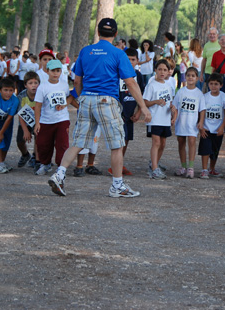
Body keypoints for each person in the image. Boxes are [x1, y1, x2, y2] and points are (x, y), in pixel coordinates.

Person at [49, 18, 151, 198]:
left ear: (98, 31)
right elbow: (130, 82)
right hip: (107, 100)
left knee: (79, 142)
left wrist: (82, 98)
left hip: (87, 98)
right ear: (116, 34)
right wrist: (143, 107)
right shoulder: (118, 54)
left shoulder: (85, 51)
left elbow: (77, 80)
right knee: (117, 144)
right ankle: (117, 186)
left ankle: (59, 174)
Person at [35, 60, 77, 192]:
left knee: (62, 144)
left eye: (58, 70)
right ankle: (45, 163)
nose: (55, 73)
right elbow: (38, 105)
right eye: (53, 70)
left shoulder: (64, 85)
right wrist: (37, 122)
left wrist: (65, 104)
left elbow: (70, 97)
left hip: (62, 119)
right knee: (43, 143)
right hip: (46, 121)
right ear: (47, 71)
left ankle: (60, 168)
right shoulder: (43, 87)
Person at [113, 48, 145, 176]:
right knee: (119, 139)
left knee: (126, 139)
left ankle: (120, 163)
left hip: (130, 113)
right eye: (128, 59)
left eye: (133, 59)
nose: (130, 62)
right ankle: (115, 166)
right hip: (118, 112)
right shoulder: (117, 74)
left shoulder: (138, 75)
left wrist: (138, 112)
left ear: (137, 61)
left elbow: (141, 94)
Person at [144, 59, 177, 180]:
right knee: (156, 143)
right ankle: (154, 169)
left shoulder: (168, 86)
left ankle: (154, 164)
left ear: (169, 72)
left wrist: (172, 109)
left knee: (163, 144)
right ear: (155, 70)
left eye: (165, 70)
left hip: (165, 119)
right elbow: (145, 102)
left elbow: (169, 101)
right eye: (160, 69)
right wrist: (156, 102)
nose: (162, 72)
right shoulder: (151, 85)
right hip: (155, 119)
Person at [173, 67, 206, 179]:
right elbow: (175, 107)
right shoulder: (181, 92)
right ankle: (183, 166)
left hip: (192, 123)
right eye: (188, 75)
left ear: (197, 78)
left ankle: (191, 167)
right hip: (181, 121)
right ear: (185, 77)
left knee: (192, 142)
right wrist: (174, 118)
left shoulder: (199, 93)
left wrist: (201, 122)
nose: (190, 78)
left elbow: (202, 109)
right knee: (181, 142)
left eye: (193, 76)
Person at [198, 72, 225, 178]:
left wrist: (222, 127)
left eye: (216, 84)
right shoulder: (205, 97)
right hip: (207, 128)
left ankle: (212, 168)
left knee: (215, 150)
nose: (213, 86)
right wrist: (201, 126)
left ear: (221, 85)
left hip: (218, 129)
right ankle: (204, 169)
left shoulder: (224, 97)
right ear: (208, 85)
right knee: (205, 149)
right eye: (211, 83)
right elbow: (201, 112)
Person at [0, 78, 20, 174]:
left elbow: (10, 117)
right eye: (5, 90)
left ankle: (2, 161)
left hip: (7, 121)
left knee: (7, 138)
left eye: (11, 90)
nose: (8, 93)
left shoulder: (15, 100)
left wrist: (2, 132)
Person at [16, 71, 40, 169]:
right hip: (25, 121)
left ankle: (37, 159)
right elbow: (21, 114)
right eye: (30, 83)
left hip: (38, 121)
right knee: (20, 140)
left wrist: (38, 124)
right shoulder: (22, 96)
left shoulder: (40, 94)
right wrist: (25, 130)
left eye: (36, 83)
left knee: (38, 138)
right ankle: (25, 154)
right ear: (25, 85)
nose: (33, 86)